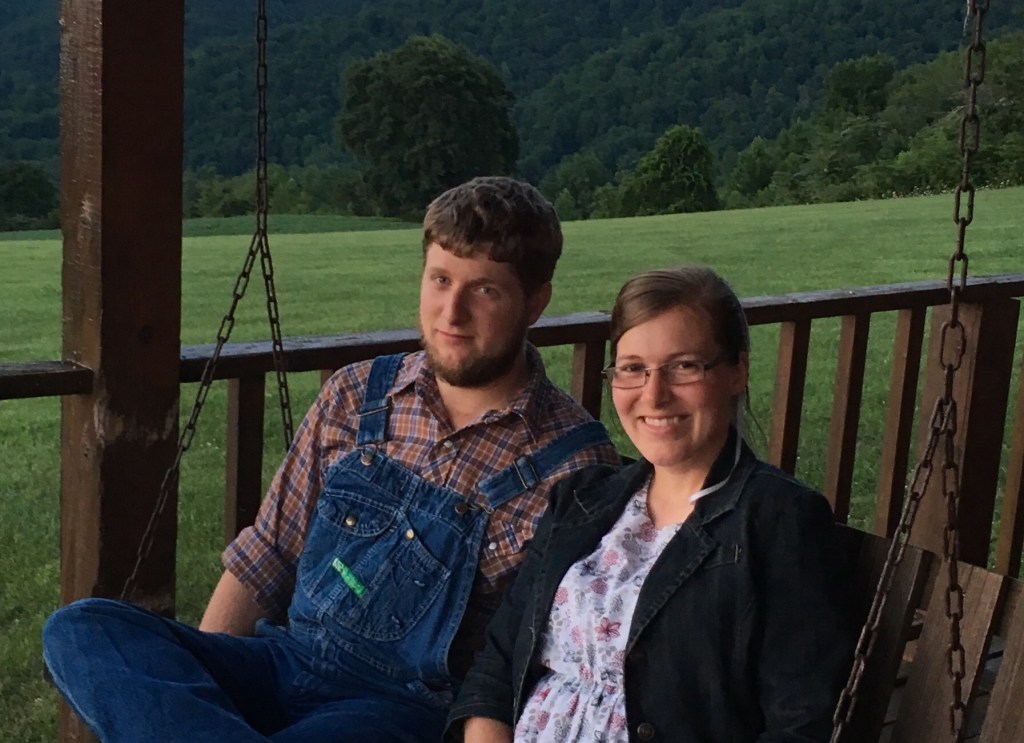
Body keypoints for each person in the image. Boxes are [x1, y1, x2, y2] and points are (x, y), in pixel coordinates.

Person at [42, 176, 620, 742]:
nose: (451, 312)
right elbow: (269, 553)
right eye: (440, 279)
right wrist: (208, 685)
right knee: (83, 628)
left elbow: (531, 661)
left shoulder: (571, 463)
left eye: (485, 290)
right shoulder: (357, 394)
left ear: (535, 302)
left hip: (395, 708)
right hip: (282, 659)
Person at [450, 266, 853, 742]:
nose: (654, 395)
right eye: (632, 368)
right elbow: (498, 665)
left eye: (684, 366)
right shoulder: (581, 500)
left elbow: (801, 722)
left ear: (737, 372)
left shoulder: (776, 520)